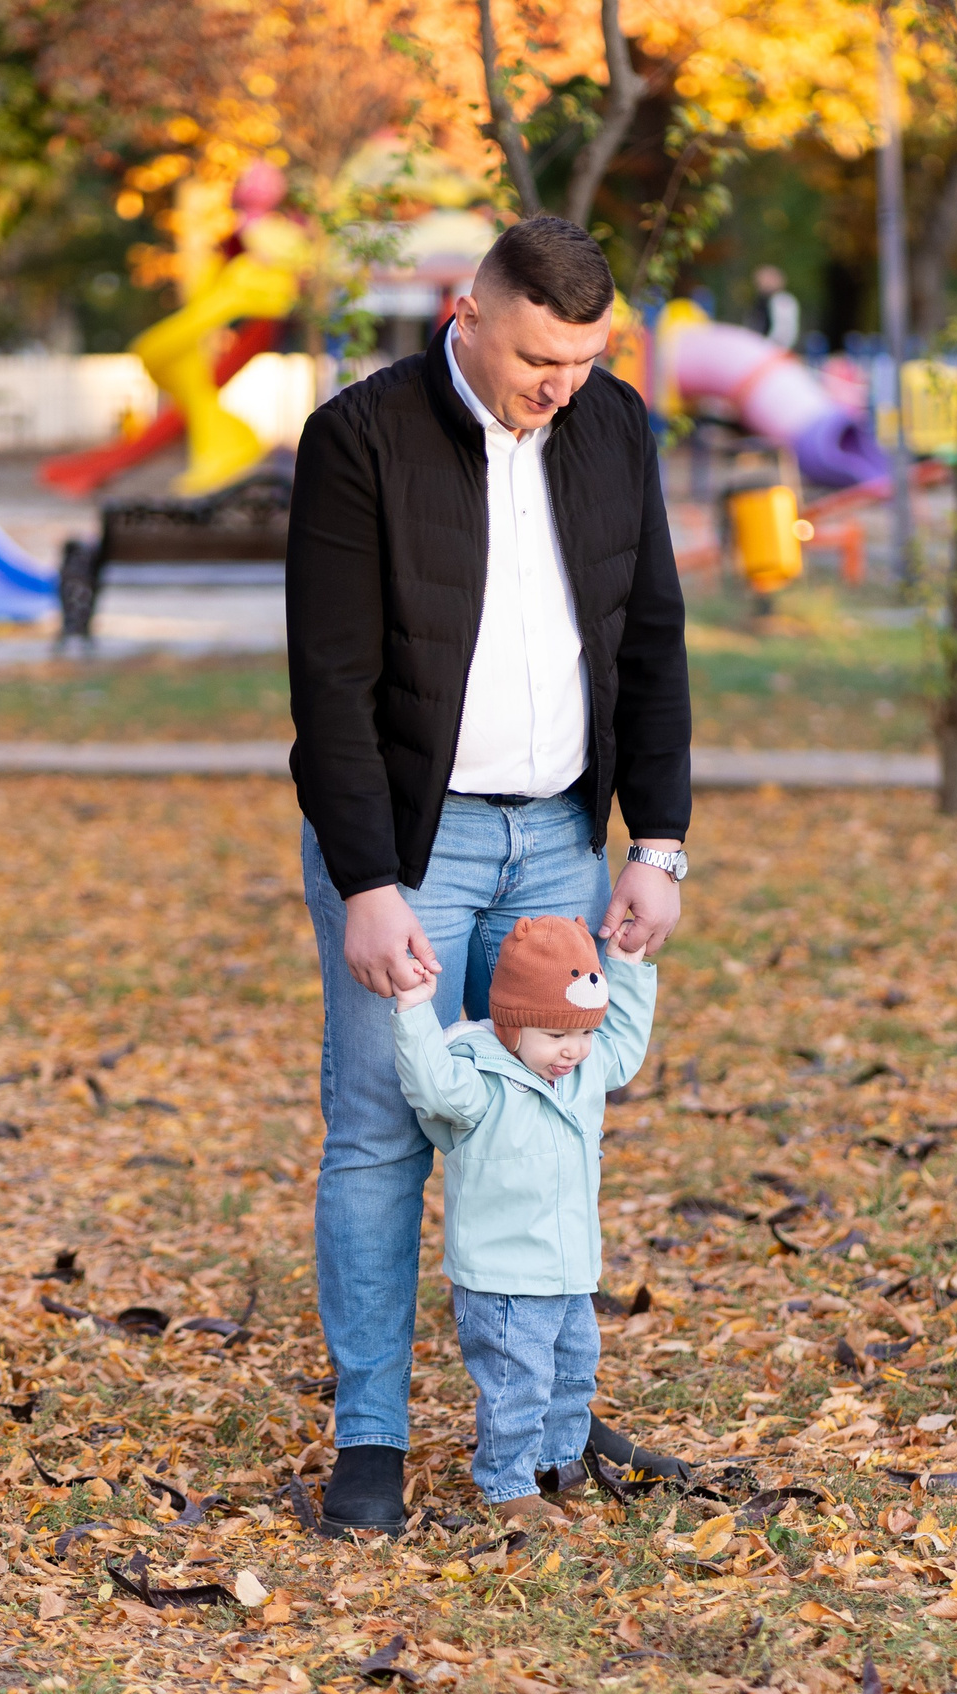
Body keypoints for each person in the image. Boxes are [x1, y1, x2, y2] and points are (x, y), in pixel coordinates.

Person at [284, 215, 693, 1535]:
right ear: (469, 310)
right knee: (383, 1131)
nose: (558, 384)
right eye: (537, 356)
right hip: (415, 843)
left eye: (582, 357)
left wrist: (660, 841)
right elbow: (331, 691)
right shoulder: (361, 441)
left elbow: (656, 641)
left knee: (552, 1121)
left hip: (561, 840)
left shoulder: (615, 427)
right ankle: (370, 1436)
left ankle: (542, 1418)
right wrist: (365, 879)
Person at [392, 915, 652, 1523]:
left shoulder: (584, 1070)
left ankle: (557, 1466)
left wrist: (631, 969)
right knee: (517, 1385)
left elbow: (625, 1048)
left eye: (583, 1033)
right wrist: (412, 1007)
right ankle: (510, 1488)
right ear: (510, 1026)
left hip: (570, 1270)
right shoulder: (482, 1082)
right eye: (554, 1034)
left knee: (572, 1375)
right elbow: (431, 1087)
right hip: (505, 1276)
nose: (573, 1050)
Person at [752, 265, 801, 351]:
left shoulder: (782, 300)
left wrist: (770, 348)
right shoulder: (761, 301)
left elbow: (784, 331)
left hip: (773, 351)